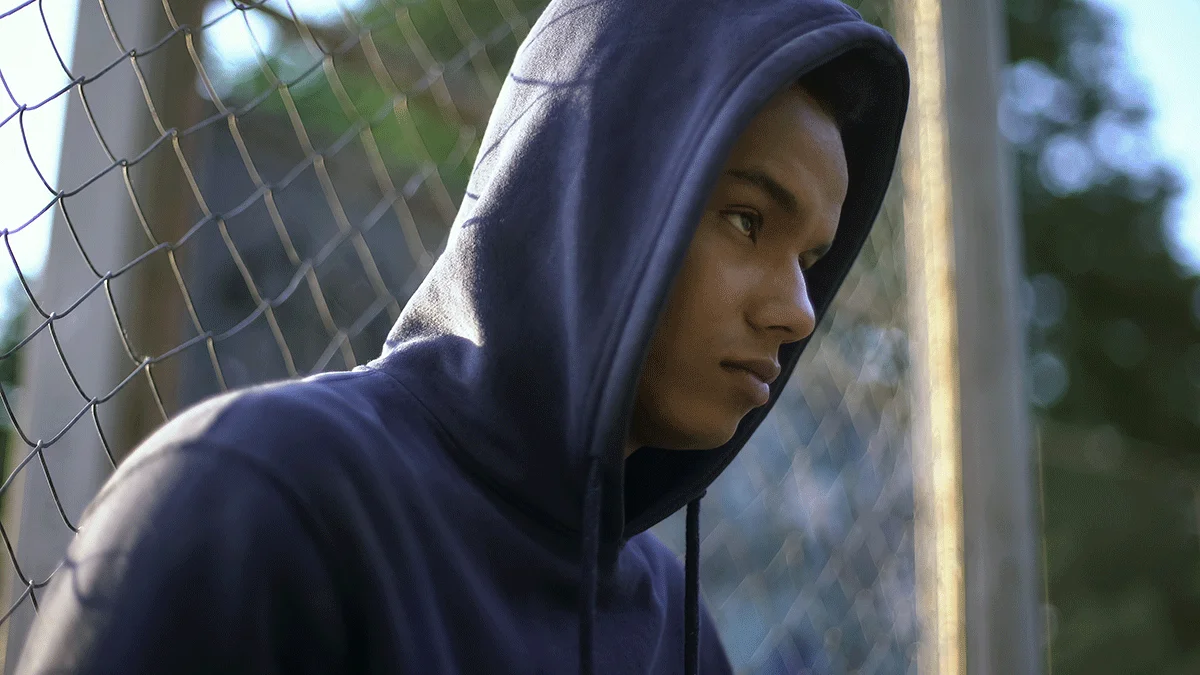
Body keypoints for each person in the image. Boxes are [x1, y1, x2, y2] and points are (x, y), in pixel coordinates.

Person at [15, 0, 908, 672]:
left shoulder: (675, 631)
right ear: (593, 195)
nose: (796, 310)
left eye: (813, 258)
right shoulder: (257, 498)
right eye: (749, 221)